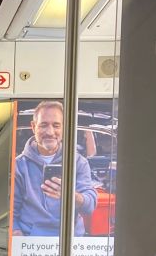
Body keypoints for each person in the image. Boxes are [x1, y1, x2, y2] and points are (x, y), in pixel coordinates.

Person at [12, 100, 97, 237]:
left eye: (56, 125)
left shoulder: (79, 163)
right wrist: (19, 238)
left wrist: (69, 195)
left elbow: (90, 206)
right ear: (33, 127)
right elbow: (11, 212)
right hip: (31, 242)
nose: (50, 132)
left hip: (70, 240)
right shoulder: (19, 166)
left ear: (64, 127)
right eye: (43, 125)